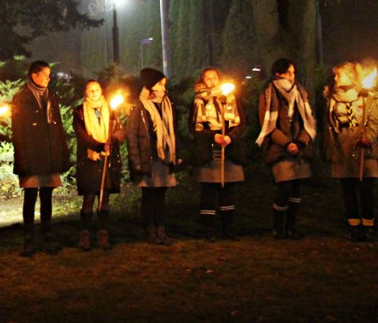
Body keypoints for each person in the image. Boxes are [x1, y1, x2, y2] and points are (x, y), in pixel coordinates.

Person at [322, 62, 378, 242]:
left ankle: (368, 226)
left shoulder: (368, 97)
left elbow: (374, 121)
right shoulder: (331, 98)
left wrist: (368, 137)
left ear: (351, 77)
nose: (335, 78)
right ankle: (353, 225)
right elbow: (329, 123)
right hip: (343, 147)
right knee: (348, 190)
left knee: (366, 189)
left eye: (339, 75)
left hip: (364, 147)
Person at [11, 60, 71, 257]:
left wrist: (61, 153)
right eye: (45, 74)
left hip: (49, 153)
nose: (48, 78)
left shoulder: (51, 97)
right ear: (34, 76)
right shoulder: (22, 98)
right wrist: (22, 158)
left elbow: (58, 127)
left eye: (49, 74)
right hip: (32, 153)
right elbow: (18, 131)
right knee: (30, 196)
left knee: (47, 196)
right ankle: (29, 239)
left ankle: (47, 236)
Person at [256, 57, 317, 239]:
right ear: (278, 73)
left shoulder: (301, 92)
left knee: (296, 189)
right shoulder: (269, 93)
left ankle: (291, 227)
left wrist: (300, 142)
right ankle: (278, 226)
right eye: (289, 72)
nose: (292, 76)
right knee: (285, 188)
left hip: (299, 147)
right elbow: (267, 124)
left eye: (294, 72)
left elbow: (308, 120)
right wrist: (286, 143)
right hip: (279, 148)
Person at [189, 67, 246, 241]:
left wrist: (230, 136)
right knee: (208, 192)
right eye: (208, 78)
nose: (212, 80)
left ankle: (228, 229)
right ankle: (209, 230)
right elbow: (194, 127)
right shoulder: (199, 101)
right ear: (202, 81)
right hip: (209, 150)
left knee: (228, 191)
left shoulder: (230, 98)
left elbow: (241, 122)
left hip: (228, 149)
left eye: (215, 77)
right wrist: (213, 135)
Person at [126, 68, 181, 246]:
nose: (163, 88)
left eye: (164, 84)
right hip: (148, 158)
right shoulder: (140, 107)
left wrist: (176, 154)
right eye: (159, 84)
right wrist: (136, 162)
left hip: (164, 158)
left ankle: (161, 229)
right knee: (149, 196)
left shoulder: (167, 104)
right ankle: (150, 230)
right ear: (150, 86)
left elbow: (173, 131)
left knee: (161, 196)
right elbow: (132, 136)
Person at [73, 79, 123, 250]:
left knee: (104, 198)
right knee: (89, 197)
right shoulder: (79, 111)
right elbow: (80, 134)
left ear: (101, 91)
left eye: (96, 89)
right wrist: (97, 145)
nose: (93, 92)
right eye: (89, 90)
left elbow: (119, 129)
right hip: (89, 158)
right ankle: (85, 234)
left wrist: (114, 139)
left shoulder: (110, 109)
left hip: (107, 158)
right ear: (85, 93)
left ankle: (103, 234)